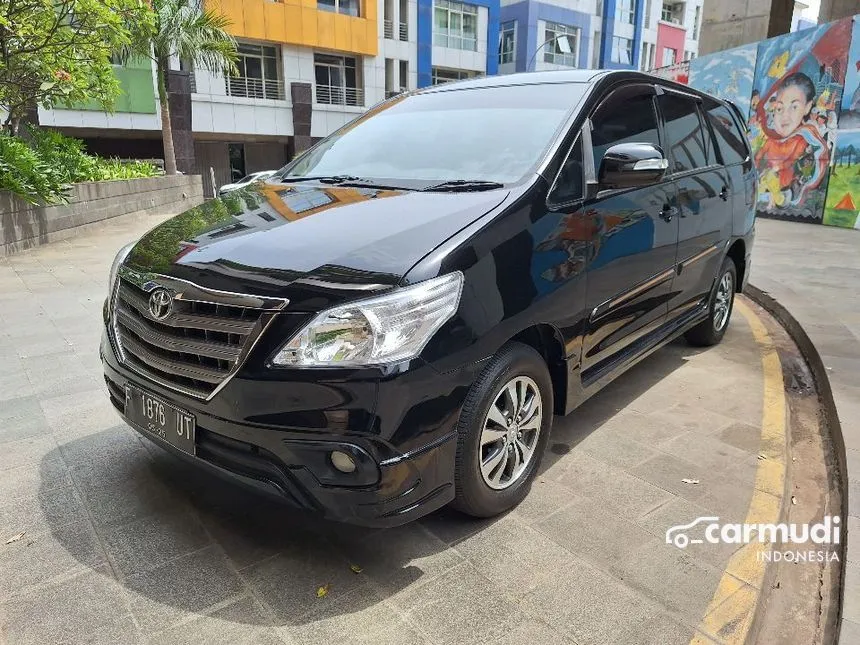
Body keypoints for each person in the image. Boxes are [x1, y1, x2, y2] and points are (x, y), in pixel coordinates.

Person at [754, 72, 828, 210]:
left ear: (807, 107)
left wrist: (776, 169)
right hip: (768, 179)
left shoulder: (803, 138)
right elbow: (760, 154)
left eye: (794, 107)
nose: (785, 116)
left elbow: (793, 159)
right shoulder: (770, 138)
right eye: (780, 108)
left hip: (784, 183)